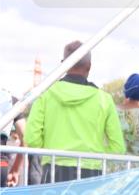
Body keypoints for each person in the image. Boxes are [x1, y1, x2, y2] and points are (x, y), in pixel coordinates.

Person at [24, 40, 125, 182]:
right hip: (91, 173)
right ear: (89, 66)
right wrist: (94, 156)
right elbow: (118, 147)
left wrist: (51, 150)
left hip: (53, 170)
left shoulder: (46, 95)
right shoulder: (104, 99)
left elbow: (32, 139)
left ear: (63, 64)